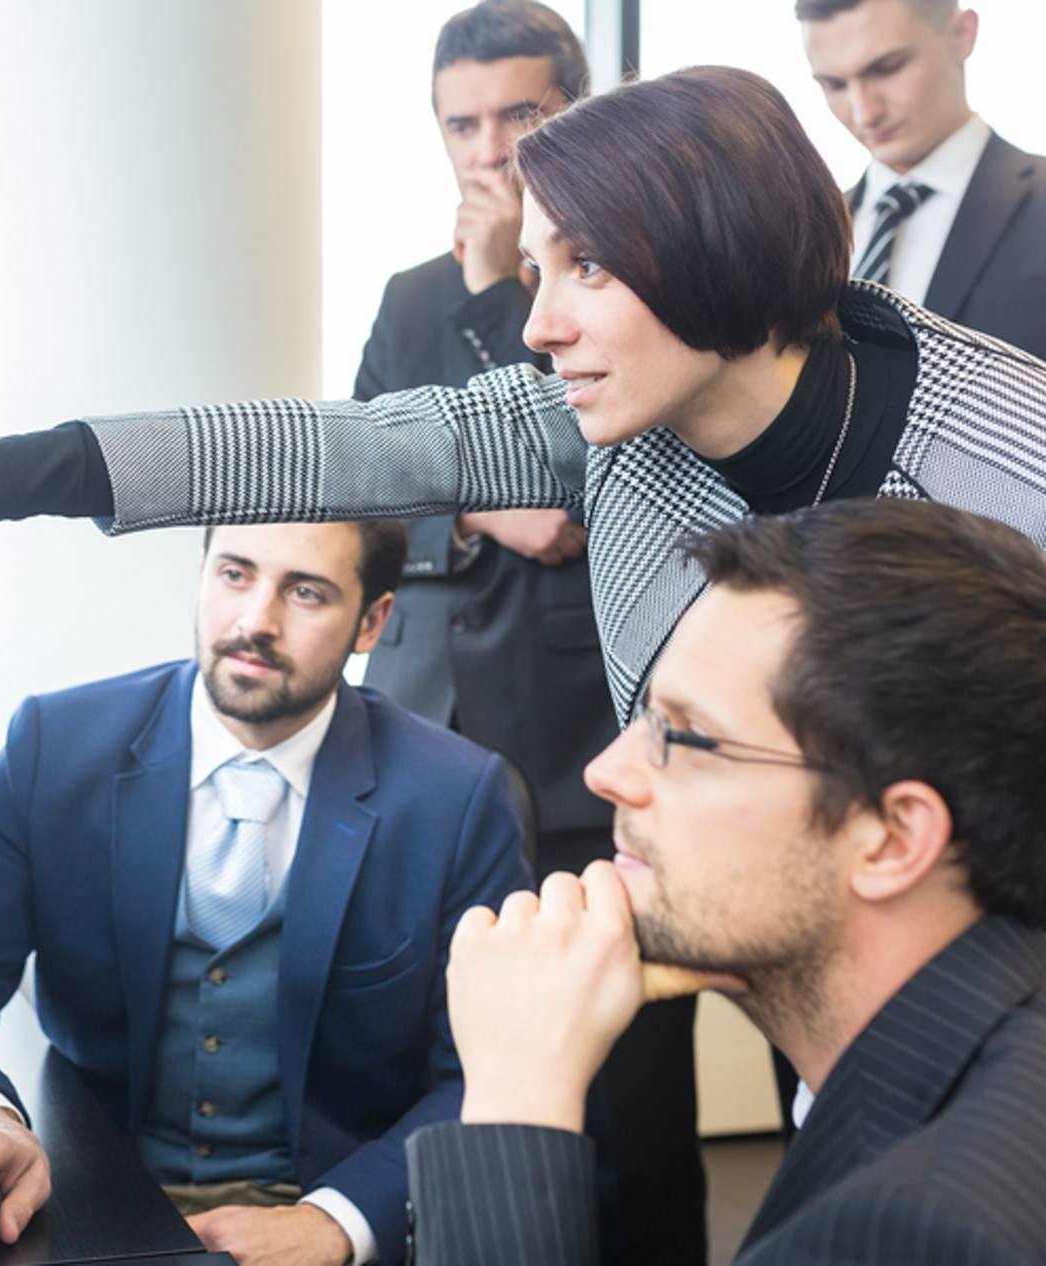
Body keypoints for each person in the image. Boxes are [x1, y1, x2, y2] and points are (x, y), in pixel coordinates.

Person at [0, 67, 1046, 1048]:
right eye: (538, 267)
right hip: (818, 1015)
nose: (536, 323)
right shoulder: (608, 418)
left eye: (584, 267)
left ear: (716, 242)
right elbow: (322, 446)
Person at [405, 498, 1046, 1265]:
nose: (605, 773)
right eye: (642, 719)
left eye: (685, 736)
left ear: (891, 841)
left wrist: (515, 1095)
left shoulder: (922, 1231)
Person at [0, 519, 532, 1266]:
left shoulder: (456, 798)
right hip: (84, 1201)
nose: (254, 622)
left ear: (373, 621)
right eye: (235, 574)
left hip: (327, 1207)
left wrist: (338, 1221)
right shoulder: (57, 745)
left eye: (305, 592)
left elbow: (494, 1075)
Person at [354, 4, 701, 1262]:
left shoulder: (630, 285)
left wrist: (504, 285)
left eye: (521, 117)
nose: (488, 150)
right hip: (424, 727)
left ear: (577, 111)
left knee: (626, 1089)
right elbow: (367, 489)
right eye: (463, 123)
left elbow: (572, 481)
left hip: (573, 745)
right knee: (450, 1062)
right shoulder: (407, 299)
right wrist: (479, 514)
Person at [798, 0, 1046, 552]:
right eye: (833, 84)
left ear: (962, 34)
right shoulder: (806, 240)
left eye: (886, 68)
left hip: (1031, 609)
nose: (864, 110)